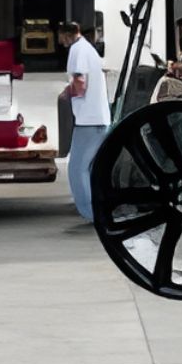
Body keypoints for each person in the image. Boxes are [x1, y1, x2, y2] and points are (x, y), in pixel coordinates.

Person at [57, 20, 111, 223]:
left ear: (66, 35)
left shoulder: (77, 50)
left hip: (89, 120)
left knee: (76, 169)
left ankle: (92, 214)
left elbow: (80, 85)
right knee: (89, 168)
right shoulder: (88, 49)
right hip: (98, 118)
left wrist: (64, 94)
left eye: (60, 36)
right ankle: (98, 210)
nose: (59, 40)